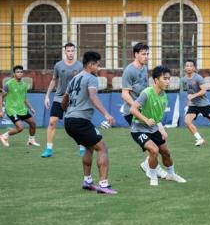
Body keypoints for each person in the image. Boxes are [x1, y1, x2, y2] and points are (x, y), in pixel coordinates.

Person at [63, 51, 117, 194]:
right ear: (91, 65)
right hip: (80, 121)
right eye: (98, 65)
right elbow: (93, 96)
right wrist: (106, 114)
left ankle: (87, 181)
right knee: (102, 148)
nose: (99, 68)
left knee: (89, 147)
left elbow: (65, 98)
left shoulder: (74, 79)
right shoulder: (91, 78)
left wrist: (66, 110)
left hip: (69, 120)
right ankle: (104, 185)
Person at [130, 65, 186, 186]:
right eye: (164, 79)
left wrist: (162, 130)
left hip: (153, 129)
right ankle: (153, 176)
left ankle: (171, 174)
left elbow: (157, 119)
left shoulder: (164, 97)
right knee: (154, 150)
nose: (167, 81)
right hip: (138, 129)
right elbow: (133, 109)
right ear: (156, 80)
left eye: (168, 79)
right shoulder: (146, 93)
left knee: (166, 152)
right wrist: (145, 119)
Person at [120, 43, 167, 178]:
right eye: (143, 54)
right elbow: (124, 94)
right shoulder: (129, 70)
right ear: (136, 54)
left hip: (145, 110)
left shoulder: (144, 68)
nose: (146, 57)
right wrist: (136, 105)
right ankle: (154, 167)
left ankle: (148, 164)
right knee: (152, 144)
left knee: (158, 140)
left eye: (147, 54)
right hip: (132, 112)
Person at [41, 43, 84, 158]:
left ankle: (82, 147)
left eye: (72, 51)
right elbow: (53, 80)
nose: (70, 53)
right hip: (59, 98)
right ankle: (49, 149)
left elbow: (82, 82)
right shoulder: (58, 65)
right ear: (65, 52)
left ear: (75, 52)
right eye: (68, 51)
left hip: (73, 99)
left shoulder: (79, 66)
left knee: (77, 124)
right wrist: (47, 96)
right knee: (52, 122)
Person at [0, 66, 40, 147]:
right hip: (12, 109)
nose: (20, 73)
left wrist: (31, 108)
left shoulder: (24, 85)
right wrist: (1, 110)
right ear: (14, 74)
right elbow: (1, 97)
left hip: (22, 109)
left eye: (21, 72)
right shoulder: (8, 84)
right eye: (17, 72)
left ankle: (31, 141)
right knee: (20, 128)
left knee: (33, 124)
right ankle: (4, 136)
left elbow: (24, 98)